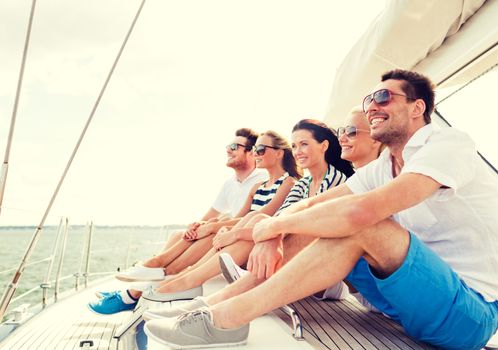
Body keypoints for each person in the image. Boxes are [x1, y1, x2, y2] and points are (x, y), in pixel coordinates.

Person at [144, 70, 498, 350]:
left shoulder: (448, 144)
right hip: (404, 302)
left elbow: (360, 214)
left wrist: (268, 229)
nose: (372, 106)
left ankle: (226, 320)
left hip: (468, 313)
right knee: (309, 220)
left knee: (362, 223)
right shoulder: (383, 165)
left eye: (383, 97)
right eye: (369, 99)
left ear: (418, 107)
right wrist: (275, 228)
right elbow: (312, 203)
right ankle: (213, 305)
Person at [142, 117, 357, 316]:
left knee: (258, 224)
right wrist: (244, 231)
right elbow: (279, 219)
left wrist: (237, 235)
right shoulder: (303, 183)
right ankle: (186, 280)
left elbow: (312, 227)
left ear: (324, 146)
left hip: (323, 272)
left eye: (304, 144)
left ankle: (188, 283)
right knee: (257, 219)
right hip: (294, 260)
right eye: (294, 145)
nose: (298, 151)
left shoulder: (336, 180)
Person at [88, 128, 267, 314]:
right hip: (222, 232)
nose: (228, 150)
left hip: (235, 241)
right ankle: (143, 281)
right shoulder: (230, 183)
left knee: (190, 249)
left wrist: (211, 226)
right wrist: (195, 225)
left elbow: (247, 218)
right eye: (228, 146)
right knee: (179, 235)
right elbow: (213, 212)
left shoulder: (261, 179)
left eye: (234, 147)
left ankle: (132, 294)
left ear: (251, 152)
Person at [141, 130, 301, 301]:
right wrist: (219, 226)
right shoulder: (258, 187)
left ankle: (180, 274)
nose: (256, 154)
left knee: (247, 218)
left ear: (278, 153)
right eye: (254, 150)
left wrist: (221, 229)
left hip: (262, 245)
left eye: (260, 149)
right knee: (221, 221)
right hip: (248, 238)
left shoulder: (288, 183)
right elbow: (239, 218)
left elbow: (263, 217)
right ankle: (180, 273)